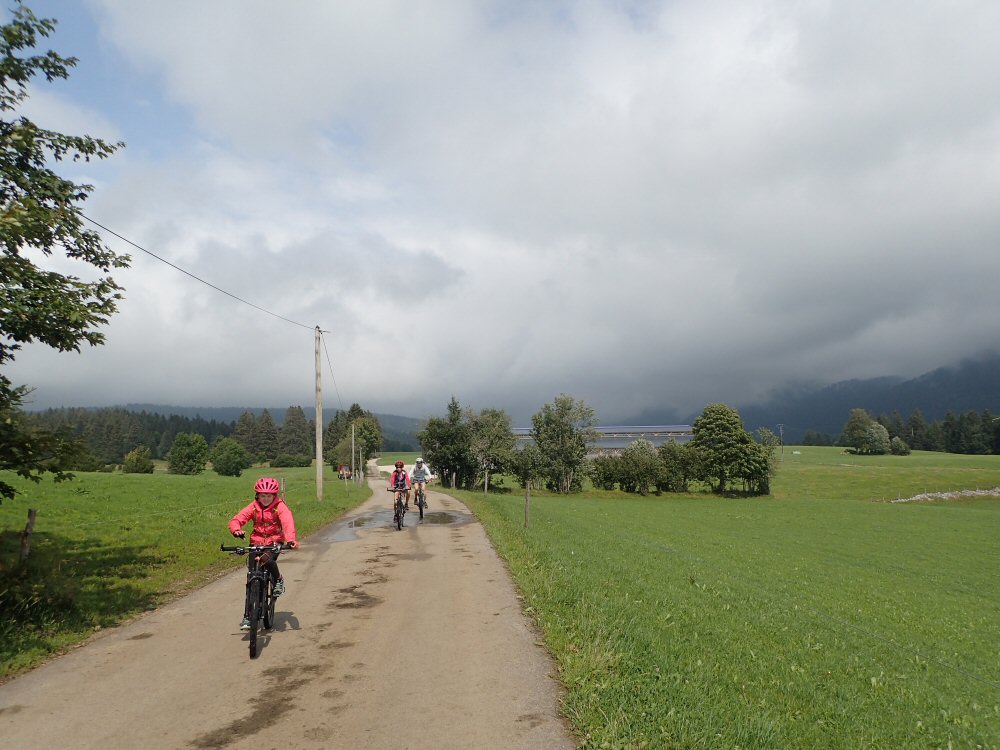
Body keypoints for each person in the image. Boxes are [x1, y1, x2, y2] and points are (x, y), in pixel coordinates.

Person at [229, 476, 298, 631]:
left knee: (266, 558)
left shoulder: (280, 507)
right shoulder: (253, 507)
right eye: (262, 495)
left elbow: (288, 522)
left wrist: (291, 539)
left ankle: (278, 580)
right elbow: (237, 519)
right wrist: (236, 530)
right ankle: (248, 615)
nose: (265, 498)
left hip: (274, 541)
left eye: (269, 496)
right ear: (257, 495)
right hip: (256, 542)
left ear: (274, 496)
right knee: (252, 575)